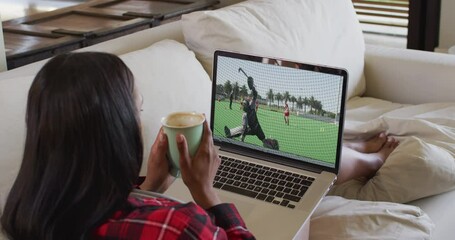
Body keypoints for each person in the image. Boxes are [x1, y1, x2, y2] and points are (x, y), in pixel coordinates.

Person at [0, 52, 255, 240]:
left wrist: (148, 188)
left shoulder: (23, 219)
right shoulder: (179, 226)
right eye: (138, 110)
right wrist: (206, 192)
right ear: (117, 130)